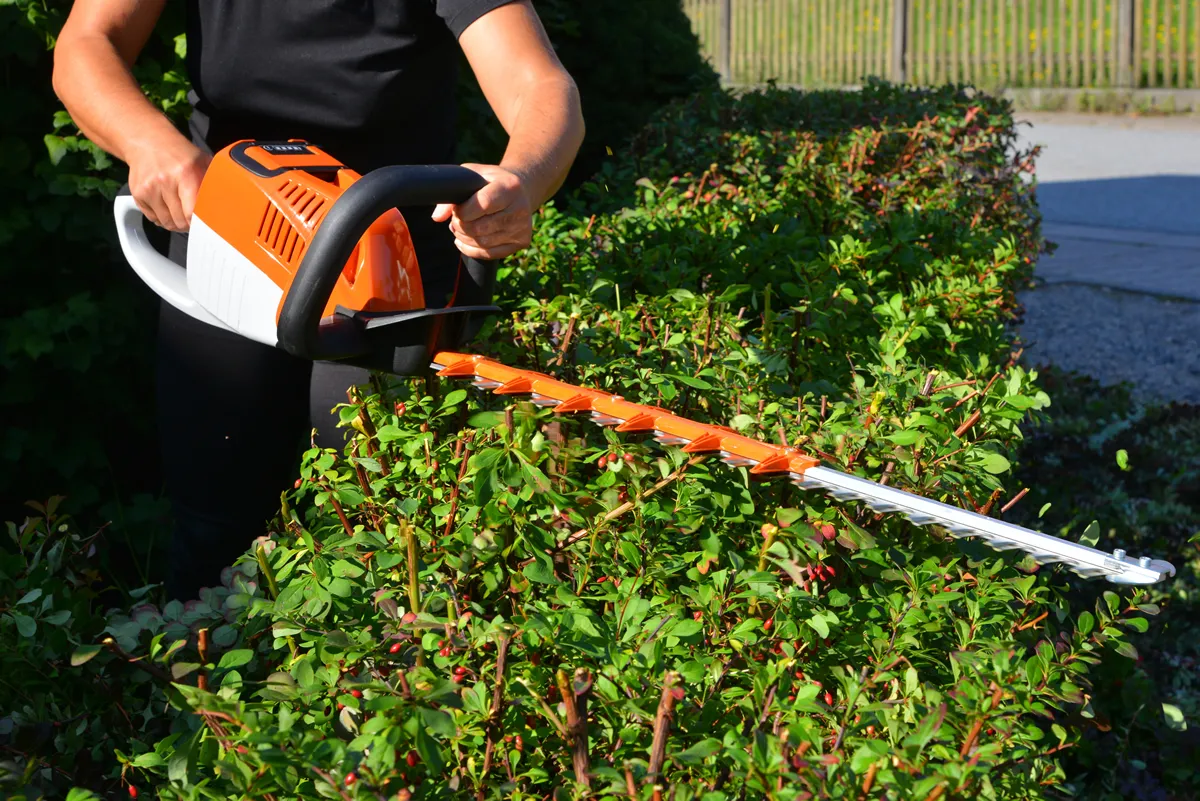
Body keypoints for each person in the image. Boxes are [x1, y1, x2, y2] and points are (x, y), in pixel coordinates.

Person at [52, 0, 585, 601]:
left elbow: (540, 84)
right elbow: (87, 42)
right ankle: (200, 652)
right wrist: (149, 143)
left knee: (378, 537)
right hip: (234, 233)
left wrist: (521, 180)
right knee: (211, 521)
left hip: (393, 264)